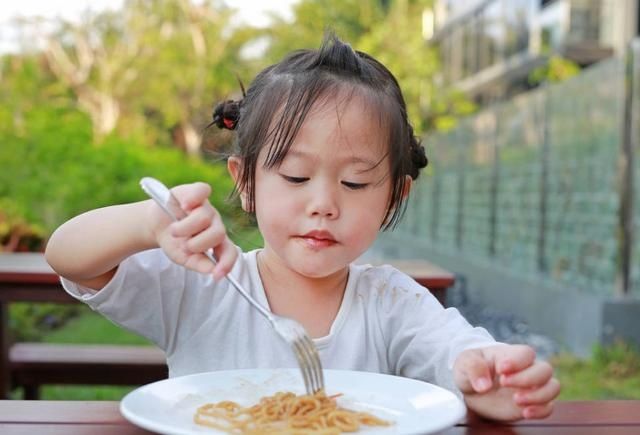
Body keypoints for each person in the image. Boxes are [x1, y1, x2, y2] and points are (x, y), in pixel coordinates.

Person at [45, 34, 559, 421]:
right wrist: (148, 221)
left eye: (356, 184)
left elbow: (454, 352)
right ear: (245, 181)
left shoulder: (393, 304)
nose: (323, 205)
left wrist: (486, 377)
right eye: (295, 176)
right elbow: (69, 257)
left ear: (394, 196)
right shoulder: (202, 287)